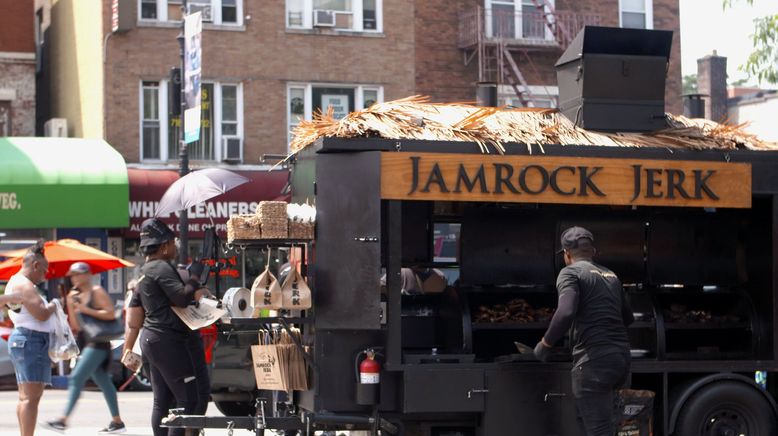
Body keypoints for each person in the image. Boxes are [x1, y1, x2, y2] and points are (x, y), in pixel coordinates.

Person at [534, 226, 634, 436]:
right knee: (595, 424)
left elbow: (566, 311)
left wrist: (545, 344)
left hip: (594, 363)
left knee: (598, 431)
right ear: (593, 252)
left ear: (567, 254)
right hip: (621, 361)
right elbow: (628, 318)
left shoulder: (570, 272)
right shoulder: (611, 275)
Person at [131, 218, 212, 436]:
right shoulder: (160, 267)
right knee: (188, 400)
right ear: (164, 245)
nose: (176, 246)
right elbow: (181, 298)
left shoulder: (148, 268)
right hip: (167, 341)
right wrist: (195, 276)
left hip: (154, 340)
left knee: (163, 400)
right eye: (173, 242)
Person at [45, 262, 127, 434]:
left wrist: (85, 309)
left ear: (87, 274)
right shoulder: (75, 295)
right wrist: (71, 304)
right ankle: (117, 421)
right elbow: (76, 326)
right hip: (87, 341)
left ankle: (63, 420)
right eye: (72, 275)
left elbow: (111, 313)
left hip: (99, 342)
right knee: (103, 381)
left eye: (77, 274)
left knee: (76, 378)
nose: (74, 277)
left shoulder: (97, 291)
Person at [5, 240, 58, 436]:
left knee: (25, 397)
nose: (45, 275)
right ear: (35, 265)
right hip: (31, 341)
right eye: (44, 270)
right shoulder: (24, 285)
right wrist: (54, 305)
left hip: (25, 340)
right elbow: (42, 314)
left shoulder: (15, 281)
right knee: (31, 398)